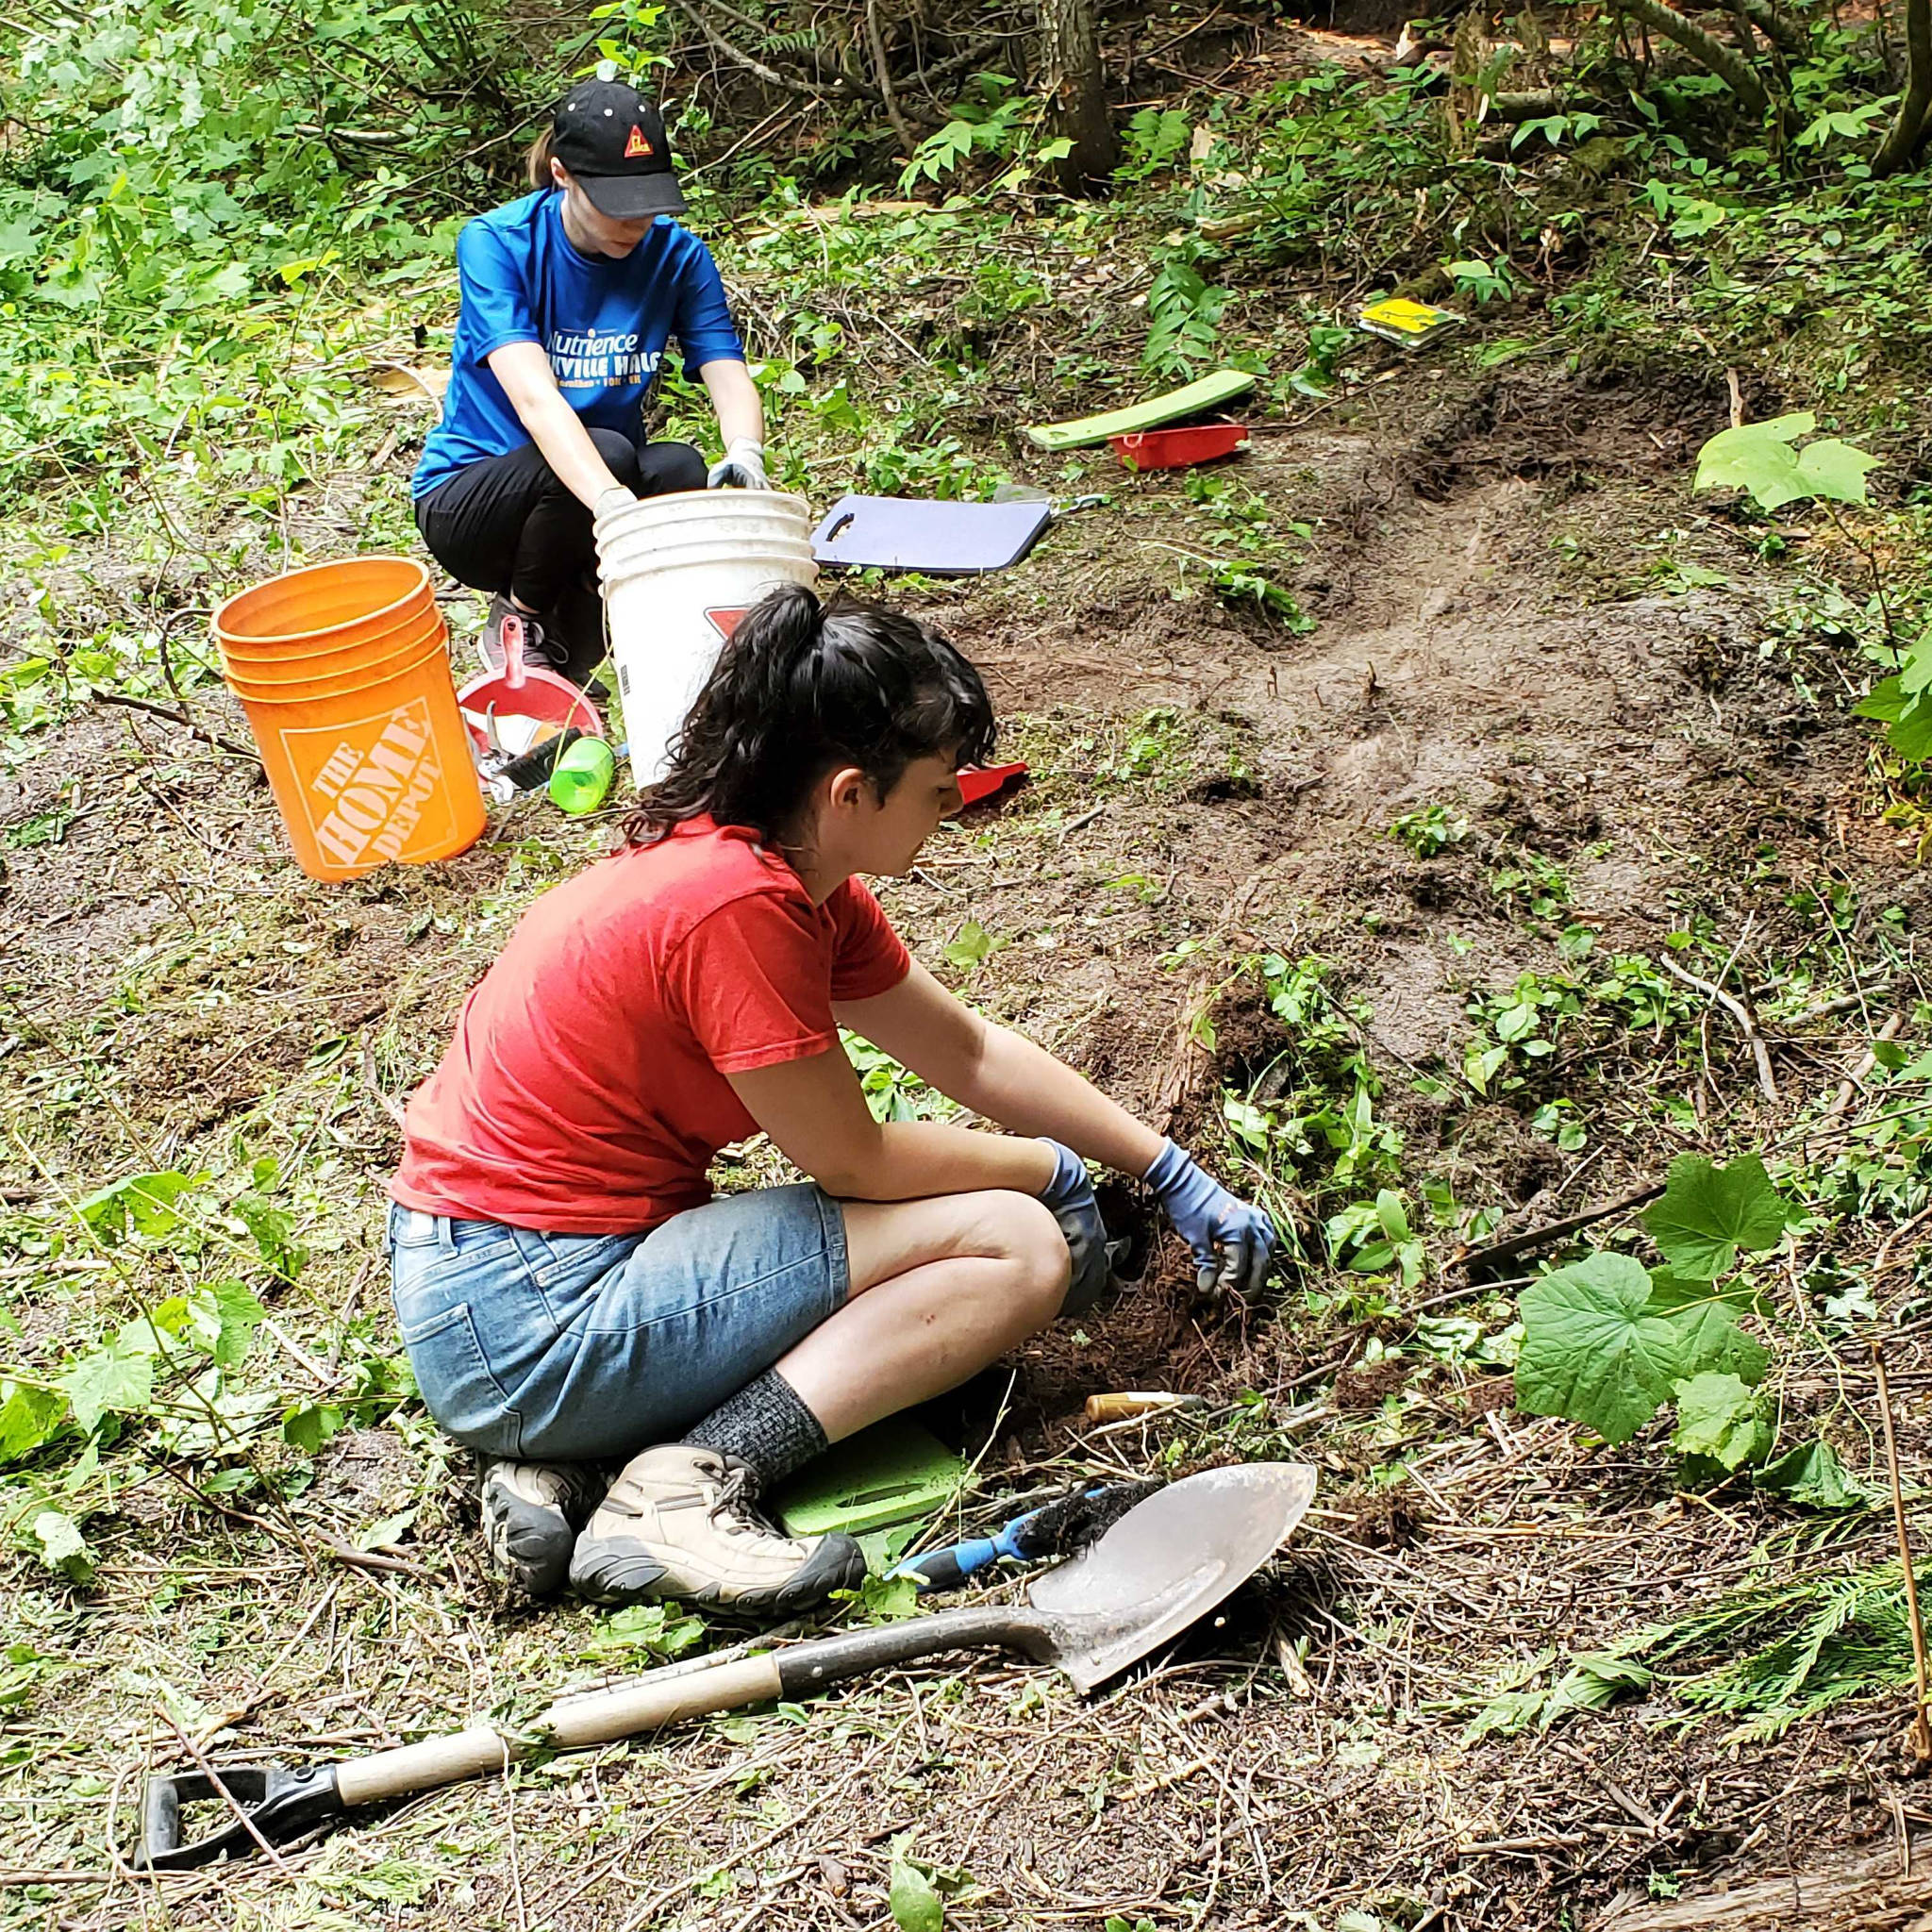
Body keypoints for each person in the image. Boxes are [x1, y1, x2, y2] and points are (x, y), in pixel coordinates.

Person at [387, 585, 1276, 1618]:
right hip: (525, 1310)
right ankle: (677, 1488)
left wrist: (1165, 1168)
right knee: (1011, 1246)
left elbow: (967, 1050)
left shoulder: (775, 876)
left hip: (506, 1285)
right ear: (851, 792)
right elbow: (850, 1160)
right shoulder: (737, 906)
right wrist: (1041, 1168)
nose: (951, 813)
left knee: (930, 1277)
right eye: (937, 791)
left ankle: (575, 1470)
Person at [411, 79, 767, 684]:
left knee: (680, 468)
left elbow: (724, 367)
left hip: (590, 493)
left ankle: (593, 643)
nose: (637, 220)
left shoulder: (678, 257)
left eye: (649, 200)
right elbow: (534, 397)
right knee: (607, 451)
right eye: (616, 202)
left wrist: (746, 453)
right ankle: (516, 622)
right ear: (562, 174)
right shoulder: (499, 244)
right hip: (474, 500)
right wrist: (611, 506)